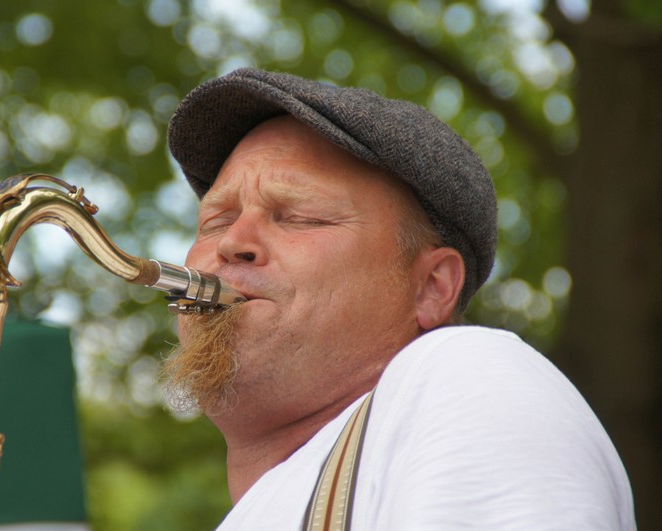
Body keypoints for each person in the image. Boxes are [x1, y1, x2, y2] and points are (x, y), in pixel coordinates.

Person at [161, 68, 636, 530]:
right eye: (216, 221)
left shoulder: (465, 374)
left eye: (300, 216)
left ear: (432, 287)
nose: (232, 242)